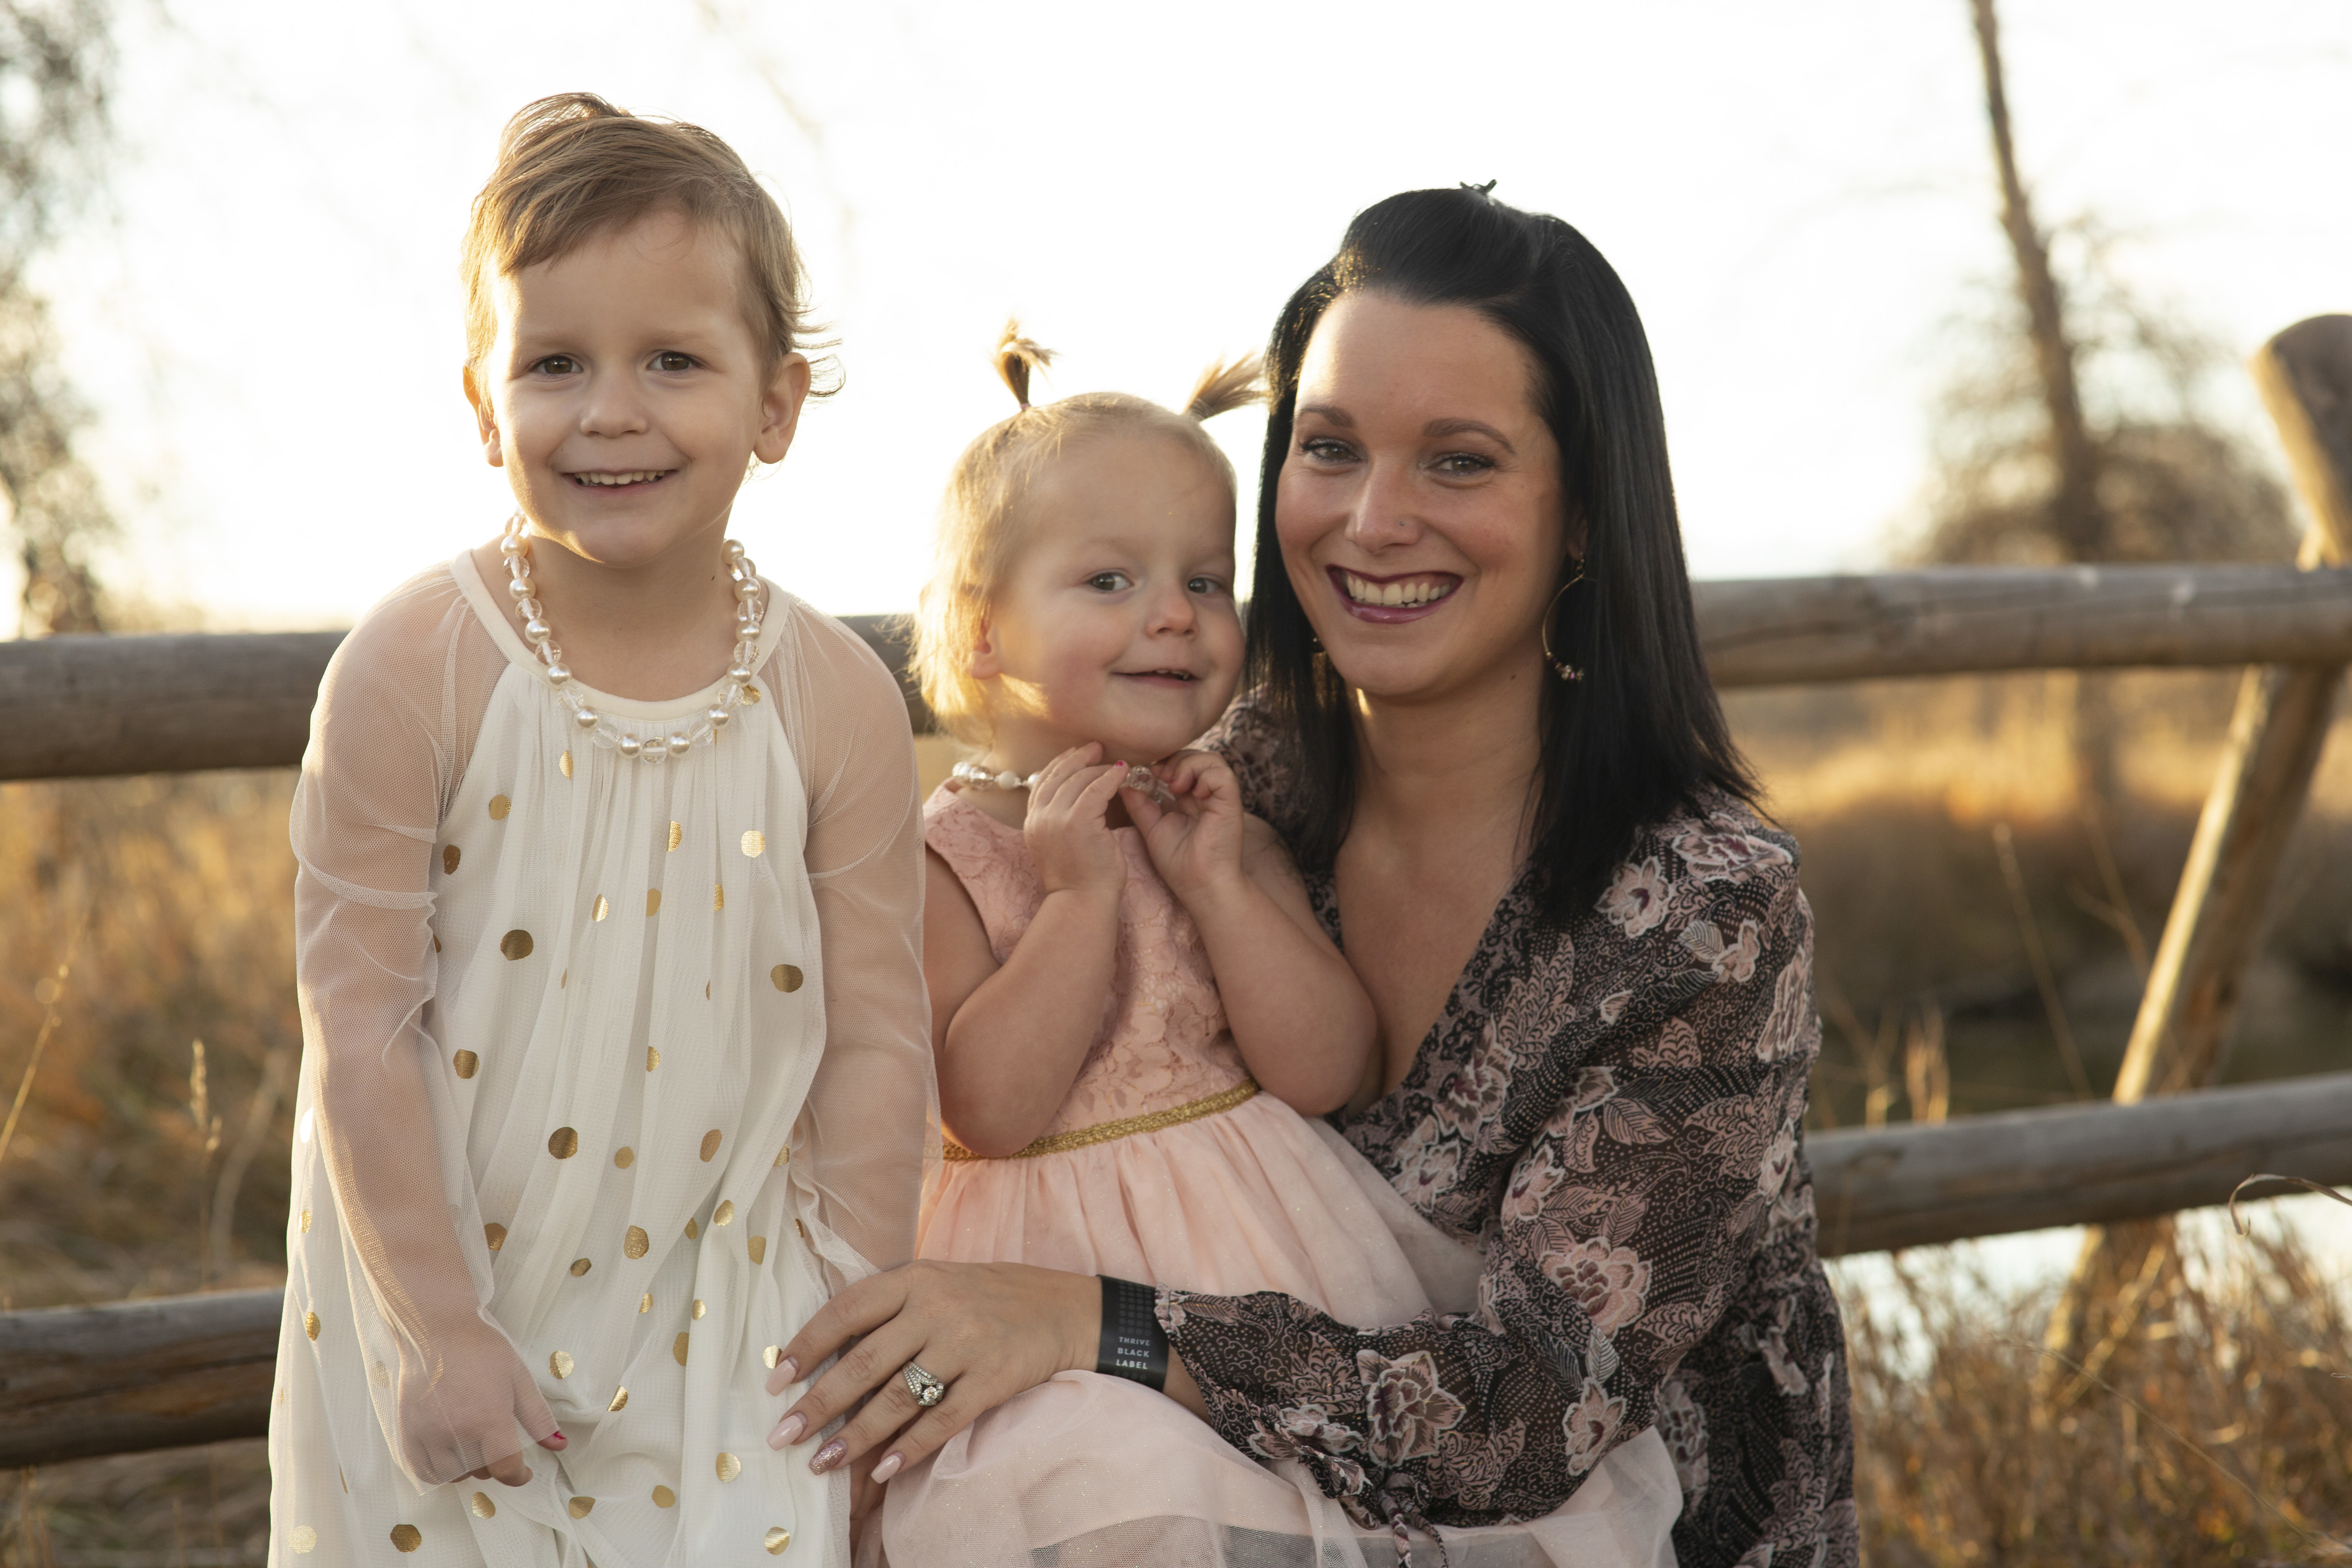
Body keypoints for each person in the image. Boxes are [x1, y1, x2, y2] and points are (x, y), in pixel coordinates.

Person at [767, 185, 1855, 1568]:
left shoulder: (1698, 912)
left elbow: (1526, 1414)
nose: (1371, 519)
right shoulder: (1218, 788)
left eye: (1456, 462)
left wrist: (1080, 1319)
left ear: (1582, 514)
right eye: (1328, 448)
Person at [856, 329, 1683, 1564]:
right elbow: (992, 1105)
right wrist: (1079, 900)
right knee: (1109, 1494)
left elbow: (1323, 1064)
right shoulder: (947, 853)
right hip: (1031, 1257)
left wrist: (1222, 888)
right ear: (981, 631)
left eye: (1202, 581)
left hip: (1265, 1260)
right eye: (1107, 584)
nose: (1171, 619)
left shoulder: (1212, 815)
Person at [270, 93, 930, 1565]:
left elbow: (881, 1031)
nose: (610, 409)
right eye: (555, 362)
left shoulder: (832, 696)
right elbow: (358, 1016)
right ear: (480, 400)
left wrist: (855, 1318)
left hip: (732, 1294)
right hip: (449, 1279)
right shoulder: (414, 664)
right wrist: (439, 1327)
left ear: (775, 403)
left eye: (672, 361)